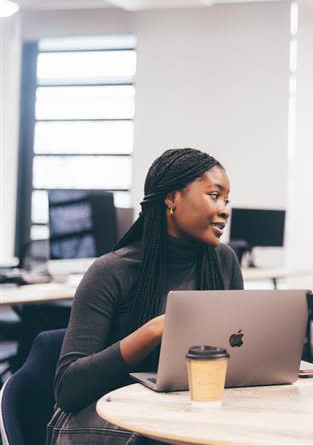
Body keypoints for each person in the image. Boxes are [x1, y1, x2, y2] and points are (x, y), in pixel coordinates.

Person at [47, 148, 244, 445]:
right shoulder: (111, 271)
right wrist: (154, 330)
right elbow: (68, 389)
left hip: (175, 407)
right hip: (99, 412)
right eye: (214, 195)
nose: (225, 209)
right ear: (171, 199)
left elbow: (239, 349)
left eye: (226, 200)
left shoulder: (223, 261)